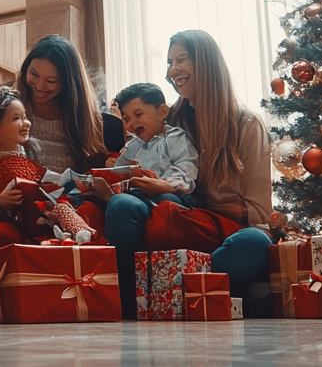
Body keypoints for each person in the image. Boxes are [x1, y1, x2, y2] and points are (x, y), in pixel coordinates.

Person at [103, 30, 274, 318]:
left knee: (254, 244)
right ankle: (132, 304)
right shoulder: (167, 121)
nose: (172, 70)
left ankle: (166, 292)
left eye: (181, 59)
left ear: (206, 63)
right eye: (170, 62)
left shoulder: (246, 125)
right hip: (167, 216)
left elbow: (258, 212)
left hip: (214, 230)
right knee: (122, 205)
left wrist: (192, 197)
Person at [0, 84, 96, 247]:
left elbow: (56, 182)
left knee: (80, 208)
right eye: (16, 118)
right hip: (12, 224)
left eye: (25, 116)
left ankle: (79, 235)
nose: (26, 123)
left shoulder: (29, 164)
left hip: (40, 219)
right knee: (0, 231)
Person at [16, 35, 123, 230]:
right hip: (21, 199)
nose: (39, 86)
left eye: (51, 81)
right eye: (33, 74)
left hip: (72, 201)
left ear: (69, 83)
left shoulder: (88, 120)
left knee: (88, 215)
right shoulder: (11, 107)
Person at [113, 82, 199, 206]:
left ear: (162, 112)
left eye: (138, 115)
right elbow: (117, 172)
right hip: (136, 196)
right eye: (126, 119)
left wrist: (167, 185)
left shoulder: (176, 138)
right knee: (120, 200)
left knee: (167, 199)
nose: (130, 124)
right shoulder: (132, 146)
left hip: (169, 194)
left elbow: (186, 169)